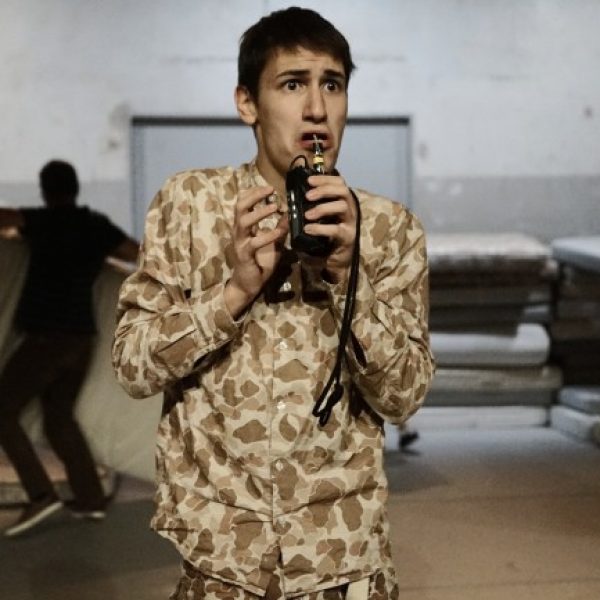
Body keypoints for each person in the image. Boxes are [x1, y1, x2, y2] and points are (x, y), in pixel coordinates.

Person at [112, 7, 434, 600]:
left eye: (332, 84)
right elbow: (133, 366)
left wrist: (348, 279)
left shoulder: (389, 228)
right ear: (247, 103)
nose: (316, 108)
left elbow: (405, 396)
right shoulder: (190, 205)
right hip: (219, 562)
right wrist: (233, 293)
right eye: (292, 84)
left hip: (341, 561)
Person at [0, 159, 138, 537]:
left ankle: (41, 495)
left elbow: (4, 218)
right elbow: (135, 254)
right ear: (75, 189)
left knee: (3, 412)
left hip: (47, 338)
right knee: (58, 418)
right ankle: (90, 500)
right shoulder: (94, 226)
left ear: (45, 191)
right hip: (81, 339)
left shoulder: (42, 221)